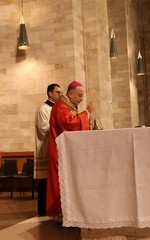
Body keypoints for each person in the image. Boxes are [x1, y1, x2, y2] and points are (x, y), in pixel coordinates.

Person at [46, 80, 95, 220]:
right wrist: (87, 112)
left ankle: (68, 214)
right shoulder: (61, 106)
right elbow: (69, 124)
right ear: (71, 94)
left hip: (64, 152)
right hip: (58, 152)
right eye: (79, 96)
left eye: (82, 96)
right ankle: (62, 215)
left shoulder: (67, 106)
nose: (81, 99)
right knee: (60, 183)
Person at [34, 83, 62, 216]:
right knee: (44, 183)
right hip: (45, 148)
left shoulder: (57, 108)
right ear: (50, 93)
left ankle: (52, 209)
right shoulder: (43, 109)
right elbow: (43, 128)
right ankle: (43, 212)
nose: (60, 94)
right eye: (57, 92)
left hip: (55, 148)